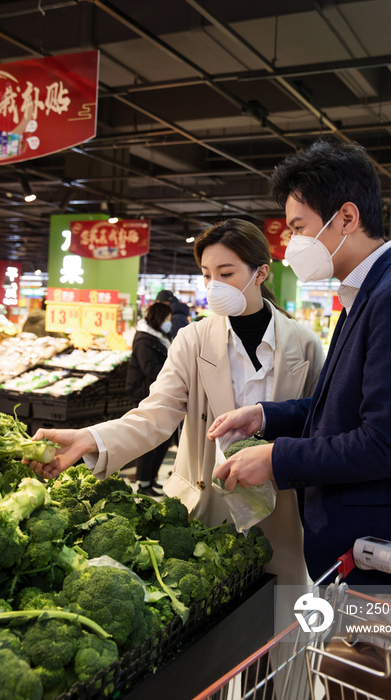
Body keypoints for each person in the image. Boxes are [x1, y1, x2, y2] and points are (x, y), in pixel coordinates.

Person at [208, 140, 391, 588]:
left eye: (299, 227)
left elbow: (384, 444)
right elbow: (338, 407)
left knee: (381, 660)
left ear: (346, 217)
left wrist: (276, 458)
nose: (292, 243)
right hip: (363, 548)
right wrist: (265, 416)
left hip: (386, 555)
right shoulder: (365, 295)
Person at [26, 218, 325, 589]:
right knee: (212, 624)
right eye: (206, 274)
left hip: (278, 511)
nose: (214, 285)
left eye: (226, 272)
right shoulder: (193, 340)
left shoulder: (305, 344)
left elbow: (317, 425)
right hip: (204, 506)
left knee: (276, 624)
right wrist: (90, 439)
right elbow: (155, 414)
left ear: (261, 272)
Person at [126, 301, 173, 496]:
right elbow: (149, 368)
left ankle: (152, 478)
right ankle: (144, 483)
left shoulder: (160, 337)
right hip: (145, 394)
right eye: (168, 319)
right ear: (159, 319)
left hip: (157, 392)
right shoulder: (144, 339)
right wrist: (173, 374)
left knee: (162, 440)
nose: (169, 322)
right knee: (148, 439)